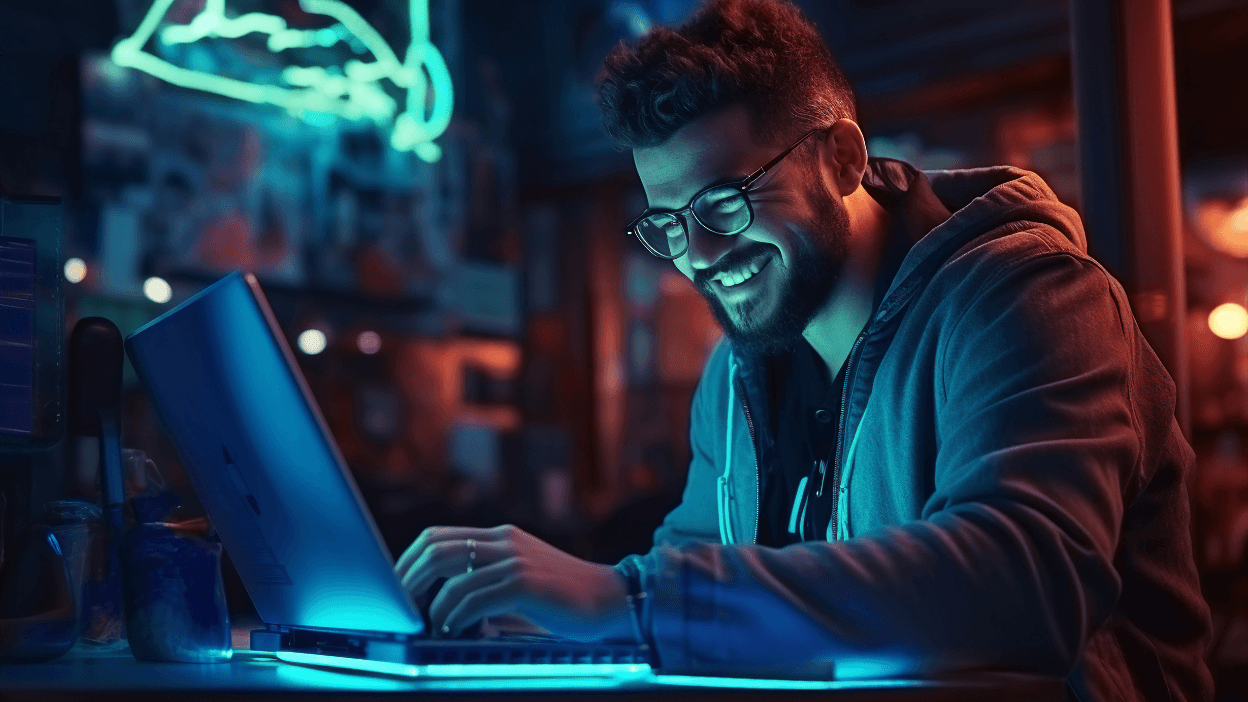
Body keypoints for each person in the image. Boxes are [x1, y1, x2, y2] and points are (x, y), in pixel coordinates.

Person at [394, 1, 1212, 698]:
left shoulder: (1026, 297)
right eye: (668, 226)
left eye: (724, 201)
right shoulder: (737, 370)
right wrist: (530, 619)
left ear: (844, 158)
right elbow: (694, 570)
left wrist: (632, 599)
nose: (700, 257)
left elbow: (1027, 580)